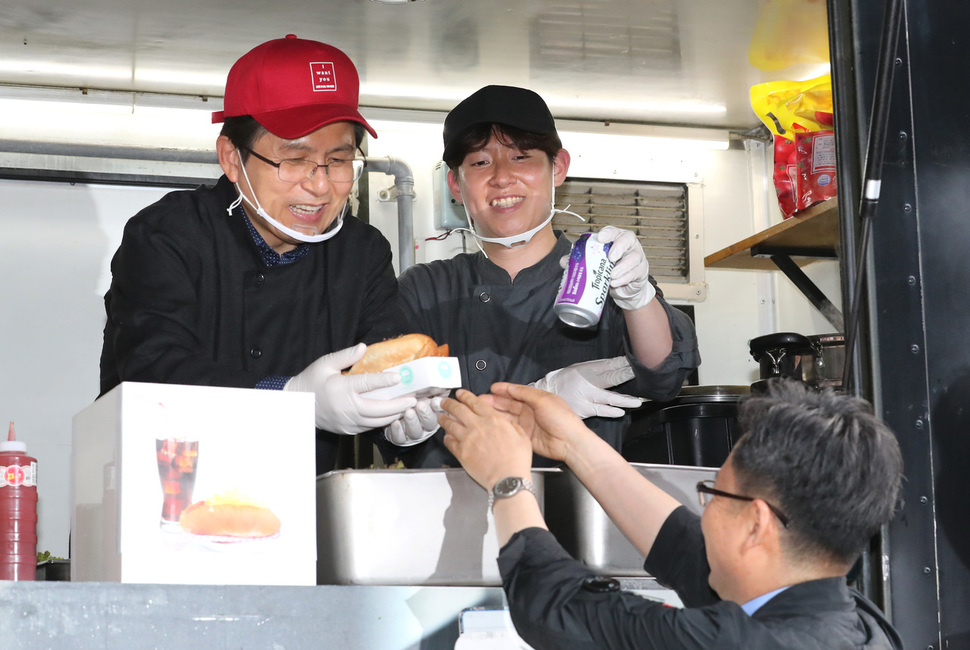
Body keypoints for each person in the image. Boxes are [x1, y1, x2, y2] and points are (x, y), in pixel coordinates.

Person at [99, 35, 437, 474]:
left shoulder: (361, 253)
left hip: (291, 507)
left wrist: (400, 424)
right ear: (232, 159)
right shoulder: (169, 234)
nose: (319, 186)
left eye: (337, 161)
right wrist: (290, 397)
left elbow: (379, 362)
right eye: (295, 160)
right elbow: (152, 369)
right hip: (155, 497)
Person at [438, 378, 905, 649]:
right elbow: (688, 551)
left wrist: (506, 481)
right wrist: (575, 445)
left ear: (758, 523)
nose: (703, 515)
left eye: (714, 495)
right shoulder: (855, 621)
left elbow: (556, 609)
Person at [390, 85, 700, 466]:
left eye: (522, 157)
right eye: (480, 163)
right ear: (456, 184)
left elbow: (663, 378)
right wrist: (391, 421)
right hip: (448, 510)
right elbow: (386, 402)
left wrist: (637, 298)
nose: (503, 178)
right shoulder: (424, 289)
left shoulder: (601, 273)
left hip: (576, 511)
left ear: (558, 168)